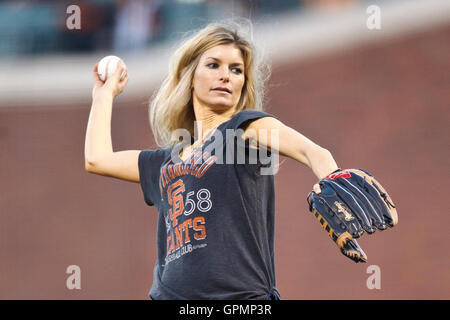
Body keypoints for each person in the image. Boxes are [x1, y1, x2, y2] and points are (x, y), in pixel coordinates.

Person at [84, 21, 338, 300]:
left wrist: (334, 182)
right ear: (190, 75)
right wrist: (103, 95)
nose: (226, 76)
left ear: (243, 83)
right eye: (213, 65)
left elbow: (313, 152)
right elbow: (97, 159)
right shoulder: (165, 162)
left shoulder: (245, 129)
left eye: (236, 69)